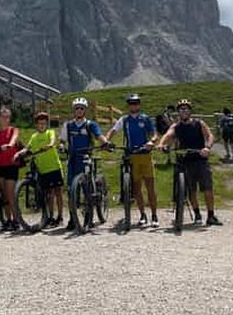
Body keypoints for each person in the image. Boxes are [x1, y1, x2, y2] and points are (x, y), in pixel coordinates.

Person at [157, 99, 222, 226]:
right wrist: (161, 144)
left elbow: (209, 135)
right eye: (181, 109)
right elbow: (168, 135)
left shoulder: (199, 123)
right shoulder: (176, 126)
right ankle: (197, 214)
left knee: (207, 189)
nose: (184, 111)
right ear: (178, 112)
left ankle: (211, 215)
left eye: (186, 109)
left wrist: (207, 147)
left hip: (200, 158)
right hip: (185, 160)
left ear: (190, 111)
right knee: (192, 190)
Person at [105, 93, 159, 227]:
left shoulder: (145, 118)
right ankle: (142, 215)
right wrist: (106, 141)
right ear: (128, 105)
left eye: (135, 103)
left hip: (145, 155)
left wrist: (152, 141)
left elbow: (154, 134)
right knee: (137, 188)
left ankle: (154, 215)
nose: (133, 106)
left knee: (150, 187)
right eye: (131, 103)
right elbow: (113, 131)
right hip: (132, 156)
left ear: (139, 105)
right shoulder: (124, 120)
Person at [59, 97, 109, 230]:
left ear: (85, 110)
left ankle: (88, 217)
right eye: (77, 108)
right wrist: (62, 146)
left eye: (81, 108)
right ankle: (72, 218)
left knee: (87, 189)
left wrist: (105, 143)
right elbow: (62, 140)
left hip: (86, 158)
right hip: (73, 159)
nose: (79, 110)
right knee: (71, 190)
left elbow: (98, 136)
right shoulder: (68, 125)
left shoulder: (90, 124)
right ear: (74, 110)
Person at [14, 112, 65, 227]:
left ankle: (60, 216)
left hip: (55, 167)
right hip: (43, 170)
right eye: (40, 123)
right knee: (49, 194)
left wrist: (50, 145)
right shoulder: (34, 137)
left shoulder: (50, 132)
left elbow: (53, 140)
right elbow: (27, 148)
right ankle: (51, 217)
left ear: (47, 124)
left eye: (44, 123)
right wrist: (19, 153)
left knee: (58, 192)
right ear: (36, 125)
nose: (42, 125)